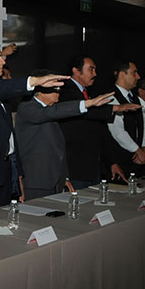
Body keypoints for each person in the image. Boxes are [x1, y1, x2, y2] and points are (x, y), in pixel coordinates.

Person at [0, 39, 67, 212]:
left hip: (5, 174)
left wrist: (18, 173)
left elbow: (9, 136)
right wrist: (33, 81)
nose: (3, 61)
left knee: (3, 225)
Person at [16, 71, 114, 201]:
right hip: (35, 182)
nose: (59, 92)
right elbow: (51, 113)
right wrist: (87, 103)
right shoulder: (27, 108)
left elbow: (59, 150)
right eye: (55, 89)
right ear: (39, 91)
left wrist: (64, 177)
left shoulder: (51, 111)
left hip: (55, 181)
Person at [58, 56, 138, 190]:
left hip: (93, 166)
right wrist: (115, 108)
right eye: (91, 69)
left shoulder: (89, 93)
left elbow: (100, 130)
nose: (95, 74)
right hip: (74, 166)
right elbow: (84, 111)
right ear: (76, 71)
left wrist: (112, 161)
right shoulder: (64, 91)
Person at [107, 61, 145, 176]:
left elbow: (143, 124)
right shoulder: (111, 97)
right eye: (134, 73)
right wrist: (137, 150)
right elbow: (117, 131)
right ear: (122, 75)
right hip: (120, 161)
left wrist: (144, 148)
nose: (138, 77)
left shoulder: (134, 98)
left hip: (138, 160)